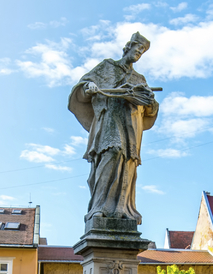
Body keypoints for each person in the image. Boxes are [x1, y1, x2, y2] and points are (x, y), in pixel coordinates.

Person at [68, 32, 159, 225]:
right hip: (110, 119)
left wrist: (150, 102)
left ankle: (123, 209)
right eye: (137, 49)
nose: (139, 53)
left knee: (128, 161)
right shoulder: (107, 67)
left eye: (142, 52)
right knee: (112, 152)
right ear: (128, 47)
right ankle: (99, 207)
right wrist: (90, 87)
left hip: (131, 124)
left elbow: (149, 108)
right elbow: (84, 86)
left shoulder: (139, 78)